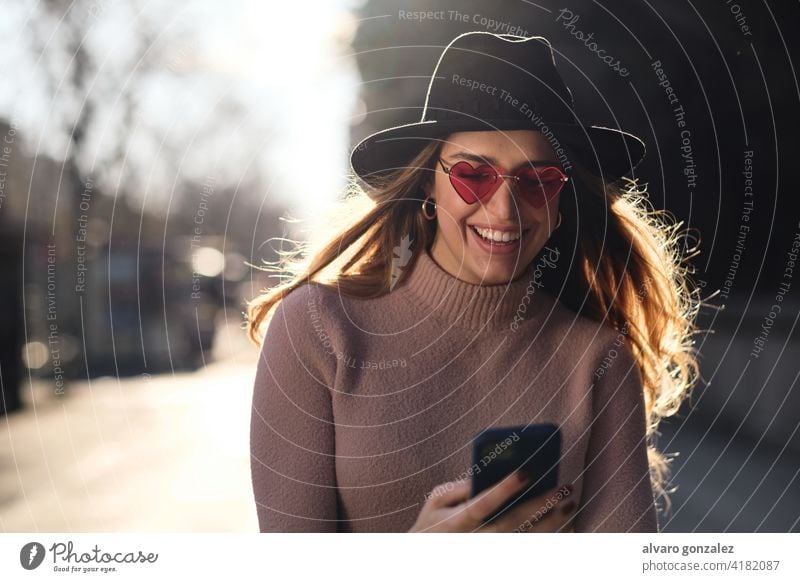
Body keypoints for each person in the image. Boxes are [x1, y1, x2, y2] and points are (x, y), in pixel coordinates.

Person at [247, 31, 701, 532]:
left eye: (537, 179)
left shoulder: (600, 358)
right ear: (428, 181)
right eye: (475, 175)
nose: (505, 210)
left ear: (560, 199)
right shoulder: (316, 330)